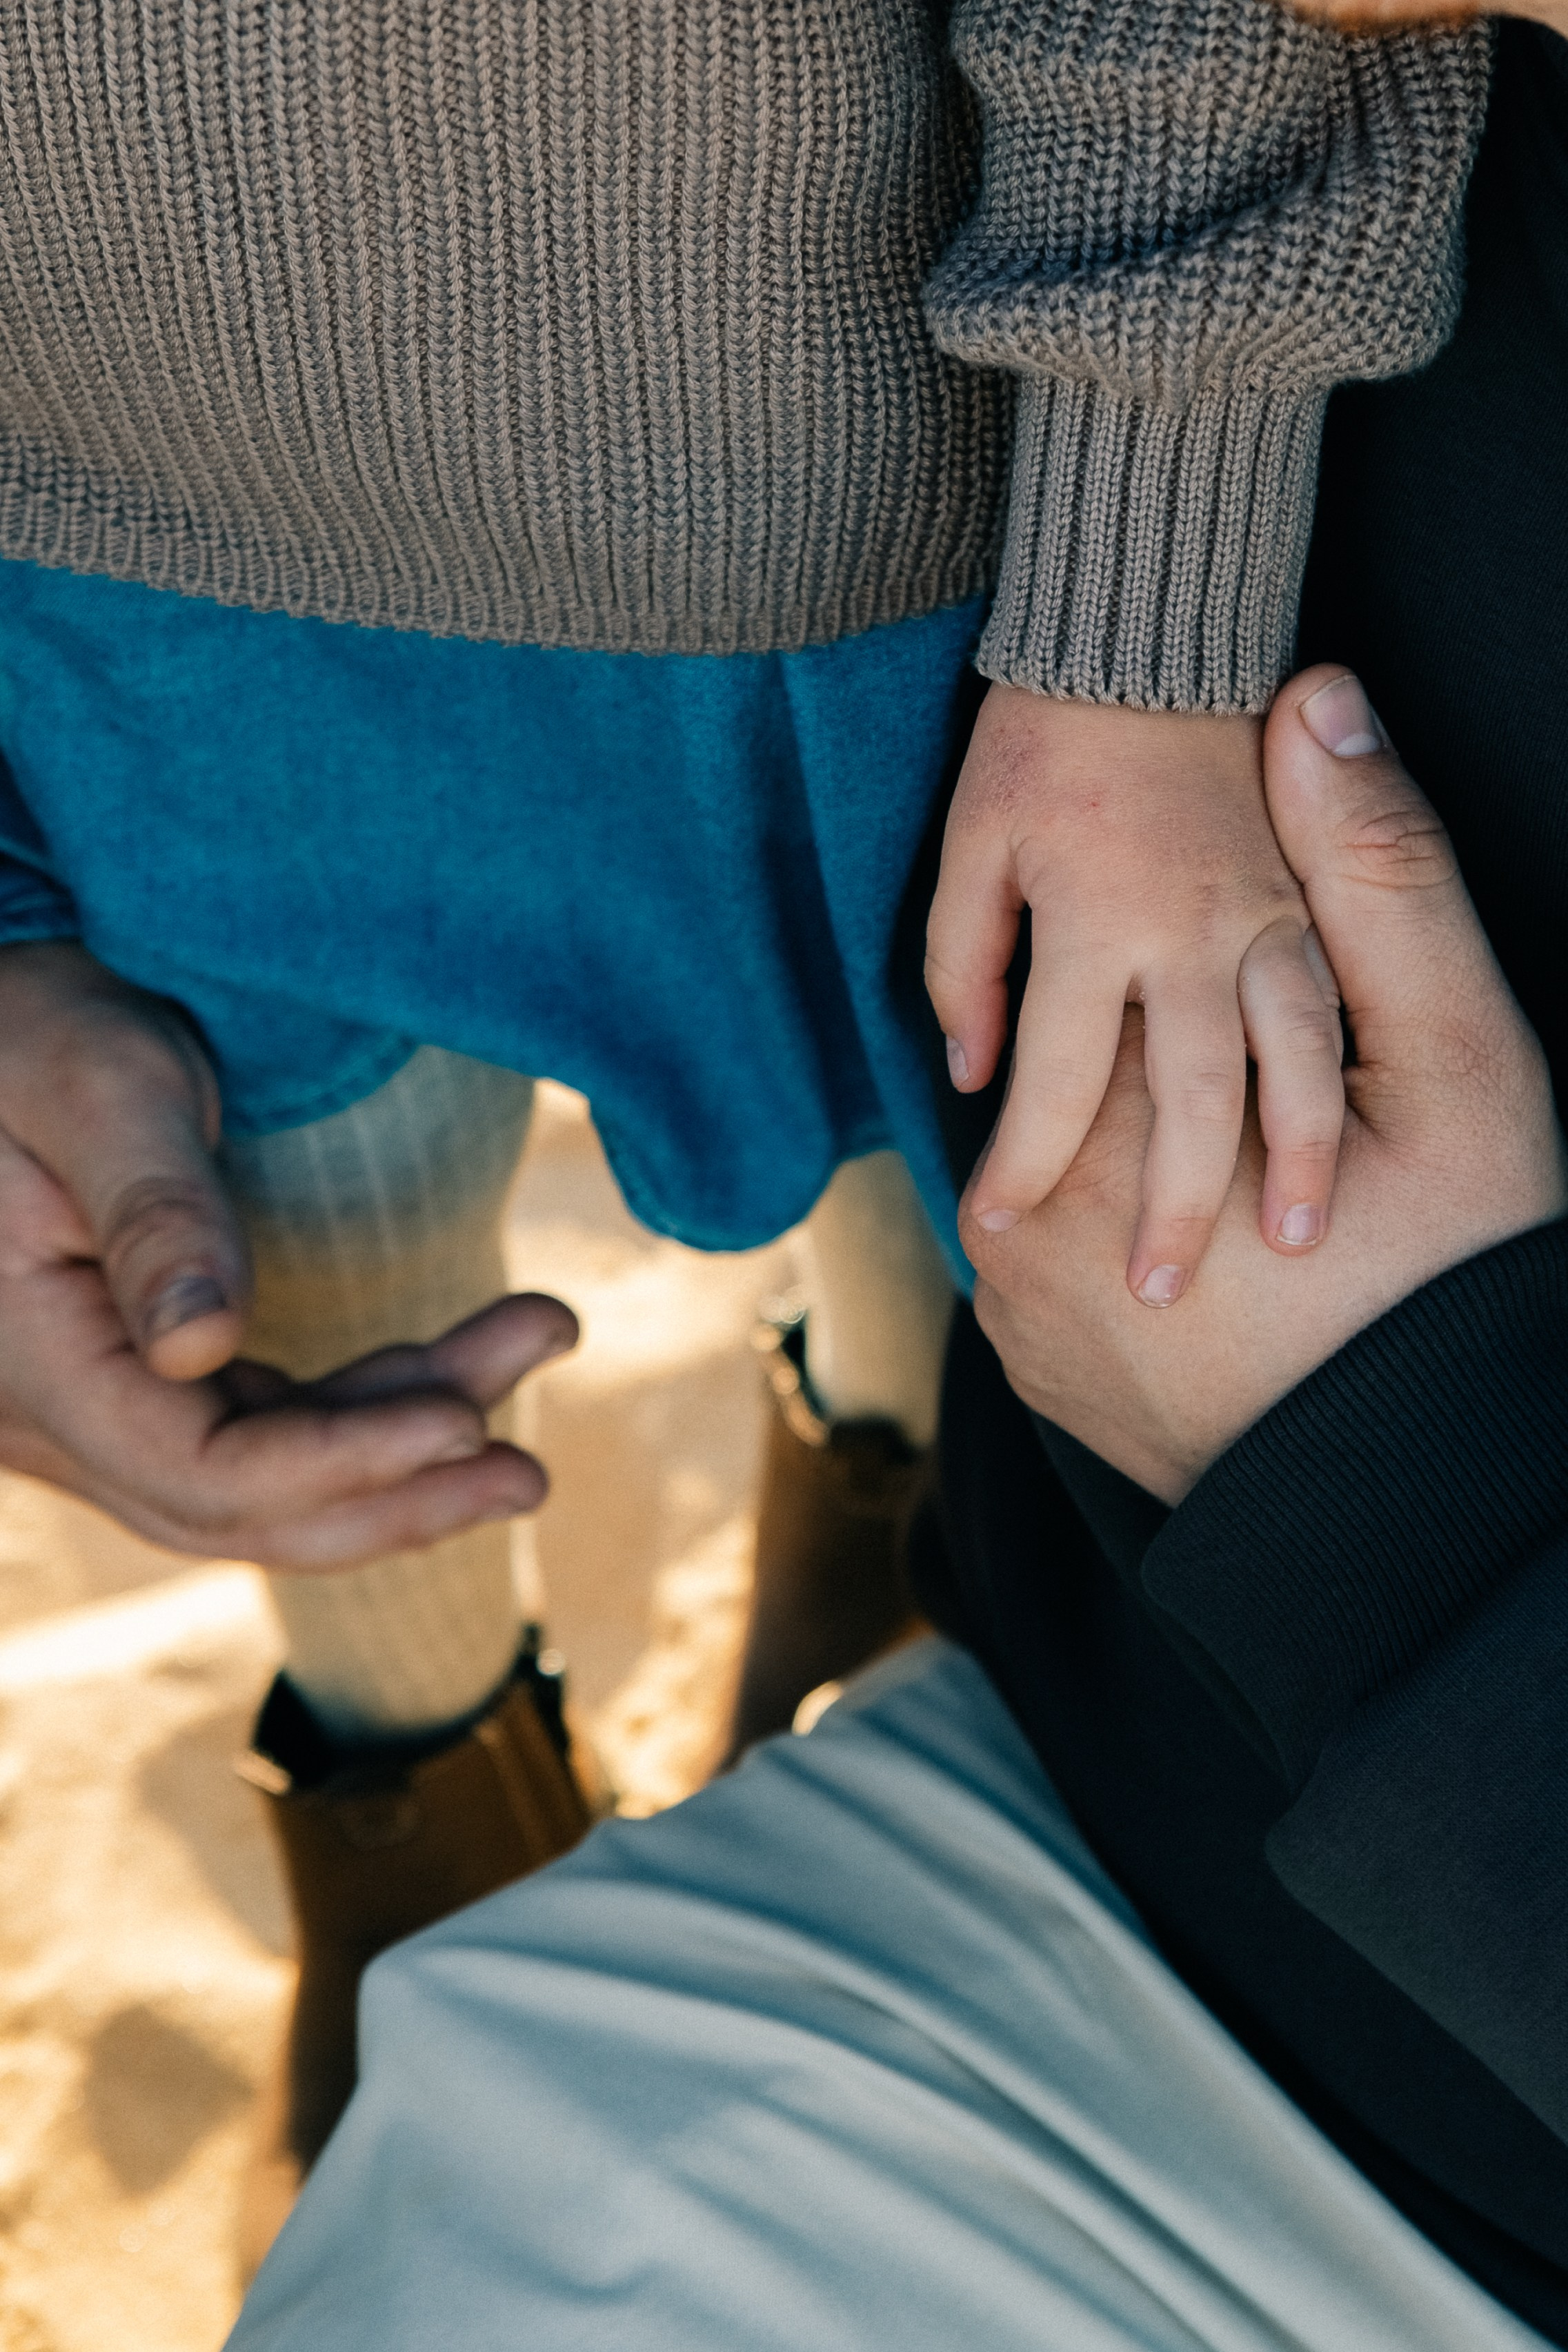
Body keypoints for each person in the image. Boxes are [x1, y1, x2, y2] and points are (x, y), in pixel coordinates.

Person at [0, 0, 1487, 2262]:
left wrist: (1153, 548)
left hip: (931, 479)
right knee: (283, 1332)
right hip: (109, 548)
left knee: (1018, 1220)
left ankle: (889, 1527)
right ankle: (419, 1802)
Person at [221, 673, 1568, 2350]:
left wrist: (1397, 1502)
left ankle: (820, 1561)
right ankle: (502, 1749)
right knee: (911, 967)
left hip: (1412, 2111)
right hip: (1119, 1630)